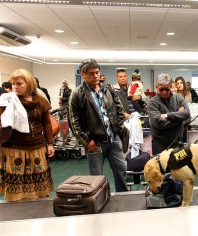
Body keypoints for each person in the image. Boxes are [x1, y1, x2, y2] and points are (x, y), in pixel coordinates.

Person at [68, 59, 128, 192]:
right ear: (83, 74)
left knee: (121, 171)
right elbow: (73, 121)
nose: (95, 76)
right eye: (91, 73)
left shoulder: (108, 89)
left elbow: (119, 109)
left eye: (97, 72)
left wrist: (118, 129)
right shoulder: (77, 94)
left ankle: (124, 197)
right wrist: (86, 141)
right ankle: (99, 201)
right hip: (94, 142)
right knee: (97, 178)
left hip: (114, 140)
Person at [0, 69, 55, 201]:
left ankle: (38, 208)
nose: (15, 87)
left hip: (37, 147)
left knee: (38, 184)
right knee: (17, 183)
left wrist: (50, 143)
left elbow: (46, 123)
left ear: (29, 84)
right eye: (13, 84)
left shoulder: (40, 101)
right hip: (14, 147)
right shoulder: (8, 100)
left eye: (19, 84)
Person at [147, 73, 191, 155]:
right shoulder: (152, 102)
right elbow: (158, 124)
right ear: (156, 88)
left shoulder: (178, 97)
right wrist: (179, 118)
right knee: (160, 167)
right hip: (159, 143)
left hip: (177, 142)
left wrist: (168, 115)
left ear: (171, 87)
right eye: (161, 89)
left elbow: (188, 116)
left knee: (177, 167)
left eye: (167, 89)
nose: (164, 92)